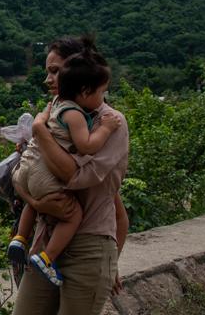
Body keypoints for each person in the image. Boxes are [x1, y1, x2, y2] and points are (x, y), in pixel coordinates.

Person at [7, 37, 128, 315]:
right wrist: (27, 184)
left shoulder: (111, 123)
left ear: (77, 78)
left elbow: (75, 176)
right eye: (49, 71)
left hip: (90, 245)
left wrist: (38, 136)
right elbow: (25, 180)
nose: (49, 80)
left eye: (56, 72)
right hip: (47, 245)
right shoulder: (57, 119)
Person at [9, 53, 121, 286]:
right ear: (84, 91)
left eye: (54, 72)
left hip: (27, 170)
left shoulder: (53, 106)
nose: (103, 100)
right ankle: (47, 258)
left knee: (34, 200)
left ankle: (19, 238)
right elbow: (85, 145)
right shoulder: (76, 114)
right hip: (47, 177)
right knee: (73, 215)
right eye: (101, 93)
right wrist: (106, 129)